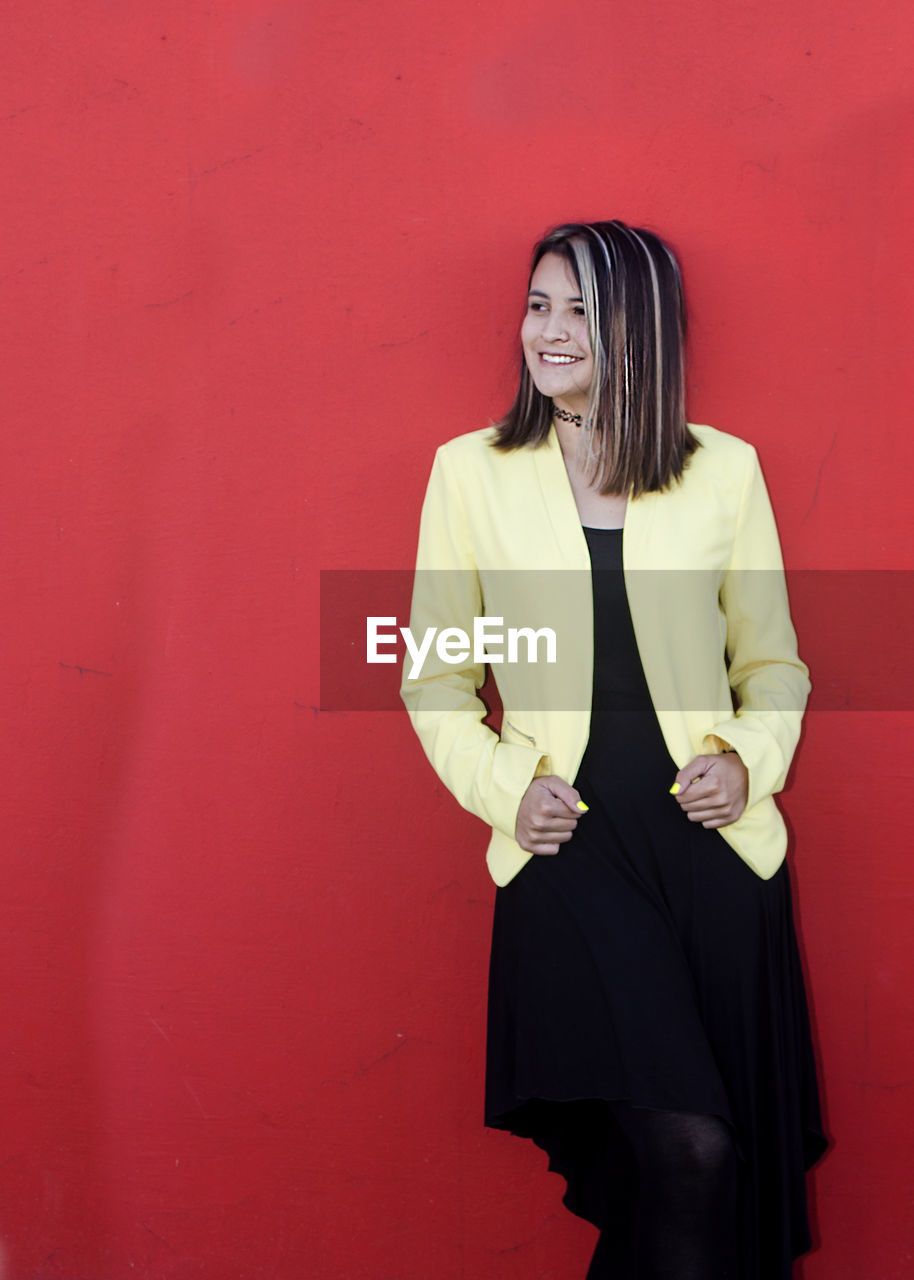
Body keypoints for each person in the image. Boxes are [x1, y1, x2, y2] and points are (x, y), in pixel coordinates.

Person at [401, 220, 828, 1279]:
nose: (547, 331)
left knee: (691, 1183)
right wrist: (505, 789)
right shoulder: (470, 474)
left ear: (639, 328)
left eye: (579, 308)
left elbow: (773, 665)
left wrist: (745, 758)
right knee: (687, 1149)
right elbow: (435, 674)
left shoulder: (723, 471)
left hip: (713, 856)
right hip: (571, 854)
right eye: (539, 303)